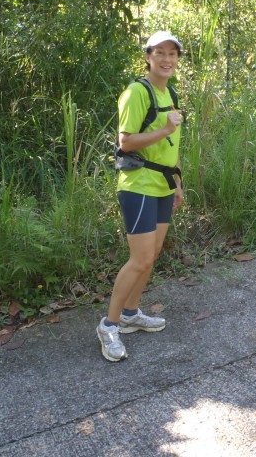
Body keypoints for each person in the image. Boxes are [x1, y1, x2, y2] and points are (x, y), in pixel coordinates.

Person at [97, 31, 185, 362]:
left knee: (153, 254)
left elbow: (173, 145)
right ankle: (109, 325)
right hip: (138, 185)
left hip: (163, 184)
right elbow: (126, 142)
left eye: (172, 54)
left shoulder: (170, 93)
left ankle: (131, 314)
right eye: (160, 52)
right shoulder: (136, 92)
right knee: (140, 259)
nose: (167, 59)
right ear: (148, 57)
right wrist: (164, 129)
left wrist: (178, 181)